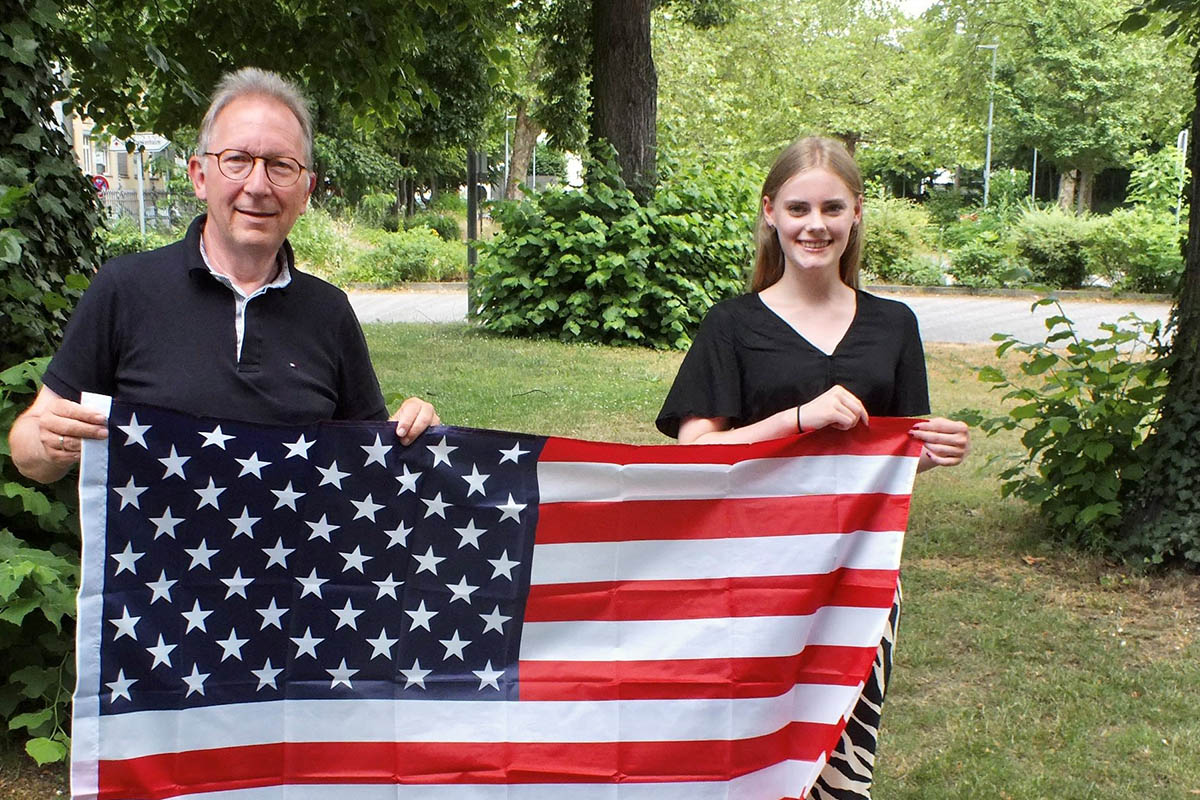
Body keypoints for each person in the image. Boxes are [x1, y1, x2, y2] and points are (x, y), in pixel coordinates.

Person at [655, 136, 969, 799]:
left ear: (856, 211)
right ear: (771, 212)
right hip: (752, 570)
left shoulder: (893, 325)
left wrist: (931, 450)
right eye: (799, 208)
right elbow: (696, 453)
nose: (815, 225)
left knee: (841, 748)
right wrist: (797, 418)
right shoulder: (732, 325)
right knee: (745, 745)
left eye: (831, 207)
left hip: (861, 574)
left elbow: (893, 453)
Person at [10, 68, 438, 484]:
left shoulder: (330, 311)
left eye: (280, 165)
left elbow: (375, 470)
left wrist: (416, 432)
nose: (257, 185)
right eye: (237, 160)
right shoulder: (124, 290)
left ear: (306, 191)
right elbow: (29, 451)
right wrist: (45, 443)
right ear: (200, 176)